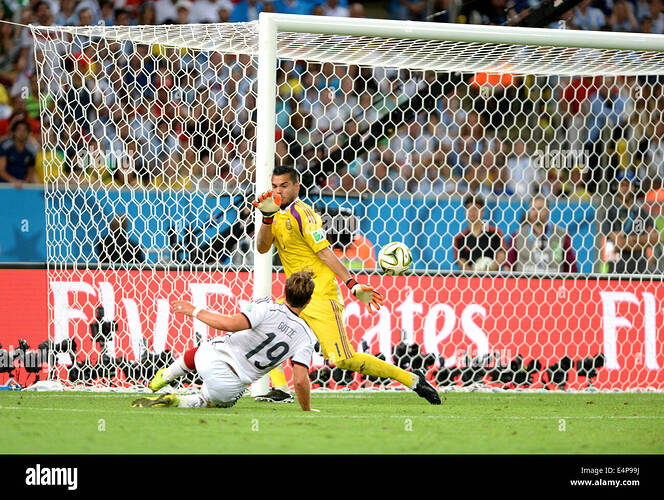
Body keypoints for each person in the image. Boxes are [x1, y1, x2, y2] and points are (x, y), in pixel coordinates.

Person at [252, 165, 441, 404]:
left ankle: (412, 379)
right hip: (296, 295)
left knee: (343, 359)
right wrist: (266, 218)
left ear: (297, 187)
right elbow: (262, 247)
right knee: (263, 328)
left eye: (284, 186)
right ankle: (280, 389)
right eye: (275, 186)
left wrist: (352, 284)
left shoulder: (304, 214)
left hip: (319, 294)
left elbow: (325, 253)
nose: (279, 191)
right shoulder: (273, 212)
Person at [132, 271, 320, 411]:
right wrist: (307, 409)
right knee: (214, 402)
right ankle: (178, 401)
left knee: (199, 351)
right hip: (231, 382)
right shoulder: (306, 336)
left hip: (209, 357)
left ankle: (164, 377)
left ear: (284, 291)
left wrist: (195, 311)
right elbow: (300, 381)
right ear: (309, 300)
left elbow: (230, 324)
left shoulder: (266, 307)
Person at [601, 170, 659, 274]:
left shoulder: (641, 212)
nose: (625, 188)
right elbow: (621, 244)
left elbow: (655, 238)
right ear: (616, 186)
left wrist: (631, 240)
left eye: (628, 184)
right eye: (622, 184)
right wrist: (644, 241)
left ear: (634, 187)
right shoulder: (611, 212)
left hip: (641, 273)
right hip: (617, 273)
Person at [506, 194, 579, 274]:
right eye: (533, 209)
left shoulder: (562, 234)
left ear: (548, 210)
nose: (536, 212)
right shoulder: (517, 235)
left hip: (553, 282)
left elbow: (571, 265)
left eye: (540, 209)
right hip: (525, 283)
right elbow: (509, 264)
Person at [454, 195, 506, 272]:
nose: (472, 212)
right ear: (465, 212)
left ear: (482, 211)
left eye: (475, 208)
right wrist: (476, 273)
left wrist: (487, 269)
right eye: (469, 208)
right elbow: (461, 262)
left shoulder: (495, 233)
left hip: (491, 278)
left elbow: (501, 256)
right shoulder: (460, 238)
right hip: (470, 280)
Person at [0, 119, 37, 188]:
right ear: (13, 132)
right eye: (19, 130)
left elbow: (30, 172)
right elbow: (1, 170)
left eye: (24, 130)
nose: (21, 133)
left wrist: (25, 183)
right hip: (4, 186)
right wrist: (14, 181)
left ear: (28, 133)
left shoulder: (31, 150)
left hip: (22, 186)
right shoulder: (5, 147)